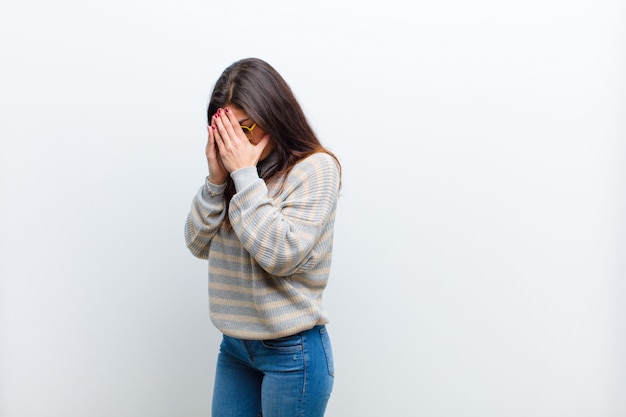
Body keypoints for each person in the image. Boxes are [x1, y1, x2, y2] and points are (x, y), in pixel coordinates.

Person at [184, 57, 341, 417]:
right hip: (236, 348)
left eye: (248, 126)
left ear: (274, 116)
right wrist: (216, 181)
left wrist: (242, 175)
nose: (238, 141)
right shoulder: (239, 175)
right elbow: (196, 243)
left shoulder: (316, 169)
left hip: (293, 352)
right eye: (227, 130)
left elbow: (281, 254)